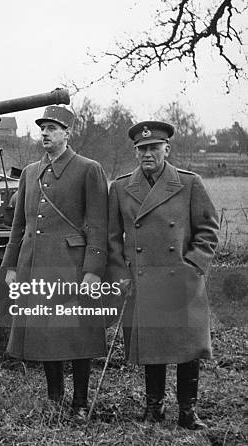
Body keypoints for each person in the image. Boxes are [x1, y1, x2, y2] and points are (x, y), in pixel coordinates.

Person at [107, 121, 219, 430]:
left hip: (180, 279)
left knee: (187, 346)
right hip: (143, 279)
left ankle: (187, 410)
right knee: (153, 346)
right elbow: (112, 238)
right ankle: (153, 408)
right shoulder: (120, 187)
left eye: (154, 148)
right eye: (142, 149)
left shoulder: (189, 183)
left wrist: (193, 265)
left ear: (166, 149)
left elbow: (208, 230)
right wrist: (121, 273)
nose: (147, 154)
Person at [1, 106, 109, 421]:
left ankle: (80, 403)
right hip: (36, 265)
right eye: (43, 127)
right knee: (47, 334)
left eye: (53, 128)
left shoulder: (89, 169)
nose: (45, 133)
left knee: (77, 335)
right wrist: (10, 266)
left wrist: (93, 270)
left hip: (72, 266)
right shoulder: (31, 172)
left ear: (67, 133)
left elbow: (98, 226)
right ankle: (54, 399)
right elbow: (19, 225)